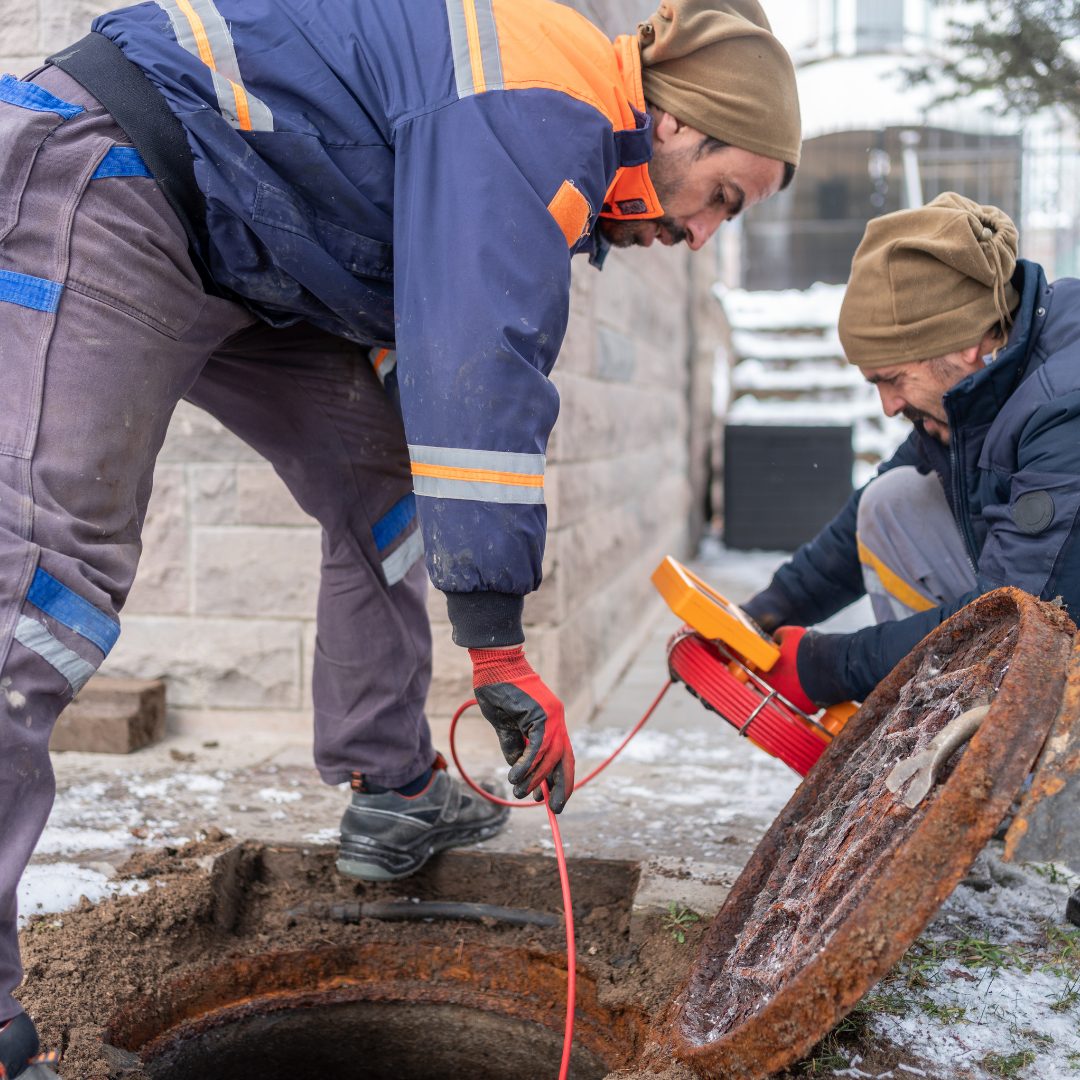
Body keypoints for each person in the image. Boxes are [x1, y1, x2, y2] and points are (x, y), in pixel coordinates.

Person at [0, 0, 801, 1070]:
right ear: (675, 126)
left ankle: (394, 791)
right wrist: (501, 654)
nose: (702, 235)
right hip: (120, 169)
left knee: (384, 489)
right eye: (722, 199)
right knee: (45, 580)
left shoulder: (558, 132)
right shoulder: (544, 105)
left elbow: (422, 319)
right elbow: (482, 368)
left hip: (246, 248)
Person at [739, 192, 1080, 928]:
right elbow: (866, 513)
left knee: (1013, 628)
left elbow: (1012, 616)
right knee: (893, 501)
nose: (890, 405)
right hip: (1053, 600)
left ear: (962, 344)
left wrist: (824, 666)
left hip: (1059, 605)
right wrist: (764, 614)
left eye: (892, 379)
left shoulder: (1065, 402)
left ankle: (1012, 795)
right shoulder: (979, 381)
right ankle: (964, 779)